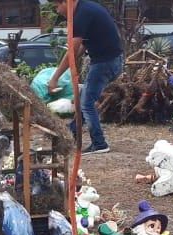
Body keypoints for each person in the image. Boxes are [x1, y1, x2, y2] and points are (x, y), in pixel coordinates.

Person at [47, 0, 123, 155]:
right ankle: (72, 132)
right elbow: (82, 46)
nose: (57, 11)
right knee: (84, 98)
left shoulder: (82, 14)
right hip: (109, 60)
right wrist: (73, 62)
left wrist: (55, 78)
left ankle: (99, 143)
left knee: (86, 103)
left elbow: (72, 52)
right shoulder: (86, 8)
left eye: (57, 6)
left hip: (106, 62)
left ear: (65, 3)